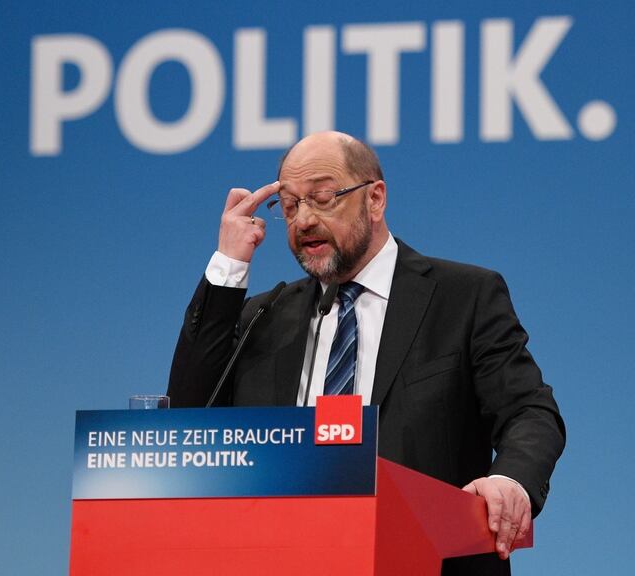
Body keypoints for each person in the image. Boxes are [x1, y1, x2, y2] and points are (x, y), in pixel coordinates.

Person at [167, 131, 565, 575]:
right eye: (291, 206)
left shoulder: (463, 297)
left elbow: (529, 411)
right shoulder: (263, 317)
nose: (304, 220)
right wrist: (229, 264)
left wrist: (509, 481)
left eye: (322, 197)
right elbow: (186, 424)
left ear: (375, 199)